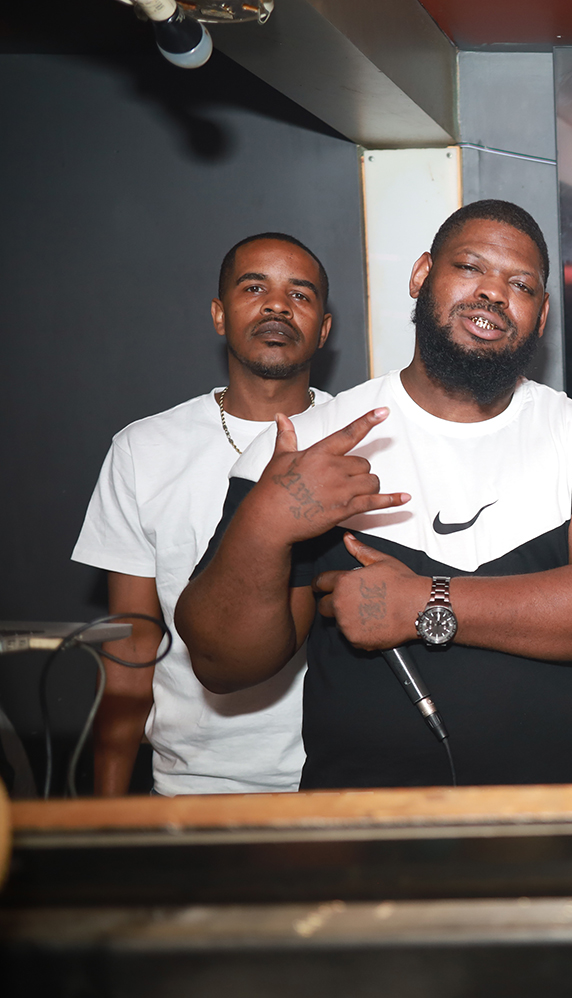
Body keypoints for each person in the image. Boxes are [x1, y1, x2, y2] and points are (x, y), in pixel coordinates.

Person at [175, 200, 572, 788]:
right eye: (470, 267)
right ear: (420, 276)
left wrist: (424, 604)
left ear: (540, 318)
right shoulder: (306, 446)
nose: (493, 292)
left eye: (520, 285)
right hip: (361, 822)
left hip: (553, 821)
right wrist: (266, 523)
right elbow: (223, 665)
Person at [72, 232, 334, 795]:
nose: (277, 305)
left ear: (324, 329)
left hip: (337, 790)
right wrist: (107, 814)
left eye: (300, 294)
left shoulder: (367, 441)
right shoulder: (144, 449)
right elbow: (131, 644)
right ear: (219, 315)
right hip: (189, 790)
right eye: (254, 288)